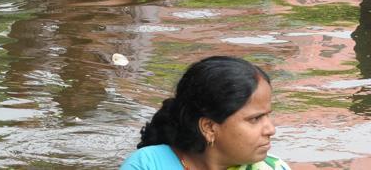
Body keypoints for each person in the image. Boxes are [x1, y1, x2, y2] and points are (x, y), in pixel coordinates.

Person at [120, 56, 291, 170]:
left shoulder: (273, 167)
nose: (270, 129)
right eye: (255, 119)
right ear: (209, 127)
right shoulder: (148, 166)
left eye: (267, 115)